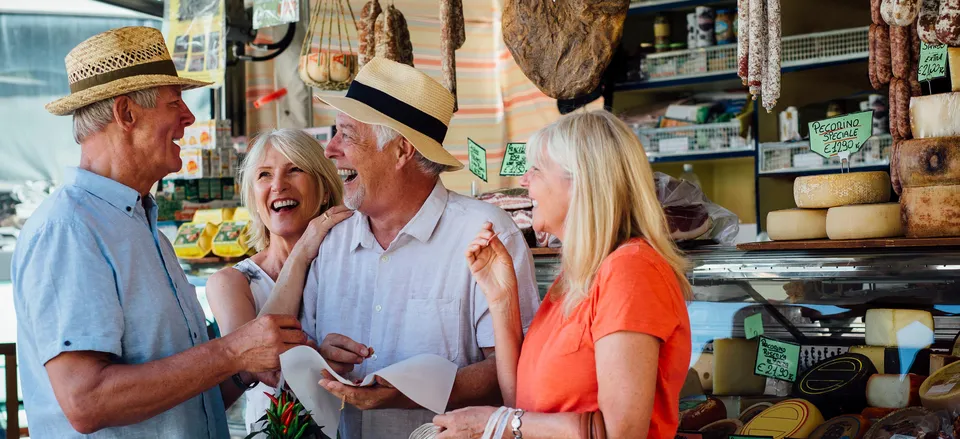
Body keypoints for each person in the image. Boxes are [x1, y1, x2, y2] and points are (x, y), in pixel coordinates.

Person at [12, 27, 307, 438]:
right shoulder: (69, 230)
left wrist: (247, 366)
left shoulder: (143, 228)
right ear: (126, 114)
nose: (188, 117)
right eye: (175, 102)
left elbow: (185, 392)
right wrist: (231, 350)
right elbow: (86, 400)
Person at [259, 58, 542, 438]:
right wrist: (322, 358)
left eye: (346, 134)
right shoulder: (333, 240)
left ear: (401, 150)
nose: (330, 150)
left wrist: (410, 392)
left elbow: (514, 369)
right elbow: (298, 355)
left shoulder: (486, 234)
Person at [433, 110, 693, 439]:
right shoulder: (576, 277)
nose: (525, 181)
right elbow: (522, 405)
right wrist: (502, 299)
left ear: (580, 182)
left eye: (537, 170)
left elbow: (621, 432)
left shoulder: (631, 270)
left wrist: (493, 424)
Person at [206, 128, 353, 436]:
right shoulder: (231, 283)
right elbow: (264, 366)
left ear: (325, 189)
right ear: (253, 197)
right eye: (264, 175)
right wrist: (301, 252)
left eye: (295, 170)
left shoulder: (350, 264)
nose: (278, 185)